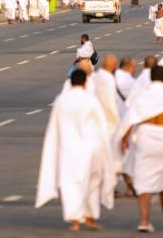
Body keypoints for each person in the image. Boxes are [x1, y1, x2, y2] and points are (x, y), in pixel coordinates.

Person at [36, 68, 116, 232]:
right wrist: (106, 148)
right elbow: (101, 126)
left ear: (70, 82)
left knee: (70, 183)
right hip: (90, 148)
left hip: (68, 149)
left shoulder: (61, 100)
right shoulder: (91, 100)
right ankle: (90, 217)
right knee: (92, 182)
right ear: (85, 82)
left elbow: (54, 127)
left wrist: (53, 148)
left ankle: (75, 221)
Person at [117, 64, 163, 233]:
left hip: (145, 138)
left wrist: (125, 138)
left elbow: (131, 118)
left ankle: (143, 221)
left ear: (150, 77)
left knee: (144, 180)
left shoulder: (143, 96)